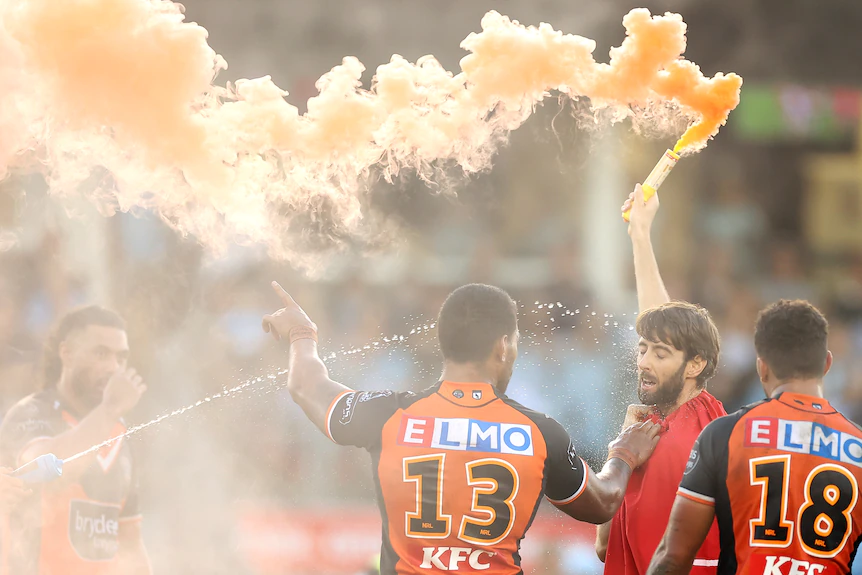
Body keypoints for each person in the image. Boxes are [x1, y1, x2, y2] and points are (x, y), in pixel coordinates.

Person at [262, 281, 662, 574]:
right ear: (503, 346)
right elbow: (604, 502)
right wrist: (624, 453)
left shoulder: (388, 415)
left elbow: (306, 386)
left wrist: (302, 335)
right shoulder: (539, 432)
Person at [647, 300, 862, 575]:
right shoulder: (858, 447)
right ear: (828, 363)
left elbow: (673, 558)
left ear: (762, 367)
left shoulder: (724, 434)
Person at [595, 186, 727, 574]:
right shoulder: (703, 418)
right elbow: (665, 326)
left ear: (695, 365)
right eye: (642, 349)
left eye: (659, 354)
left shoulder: (668, 443)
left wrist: (618, 456)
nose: (644, 362)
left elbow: (605, 547)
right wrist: (640, 234)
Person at [0, 306, 151, 575]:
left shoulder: (118, 433)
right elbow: (51, 470)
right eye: (101, 353)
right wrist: (108, 411)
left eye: (121, 357)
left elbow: (130, 542)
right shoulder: (31, 414)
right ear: (66, 353)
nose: (113, 367)